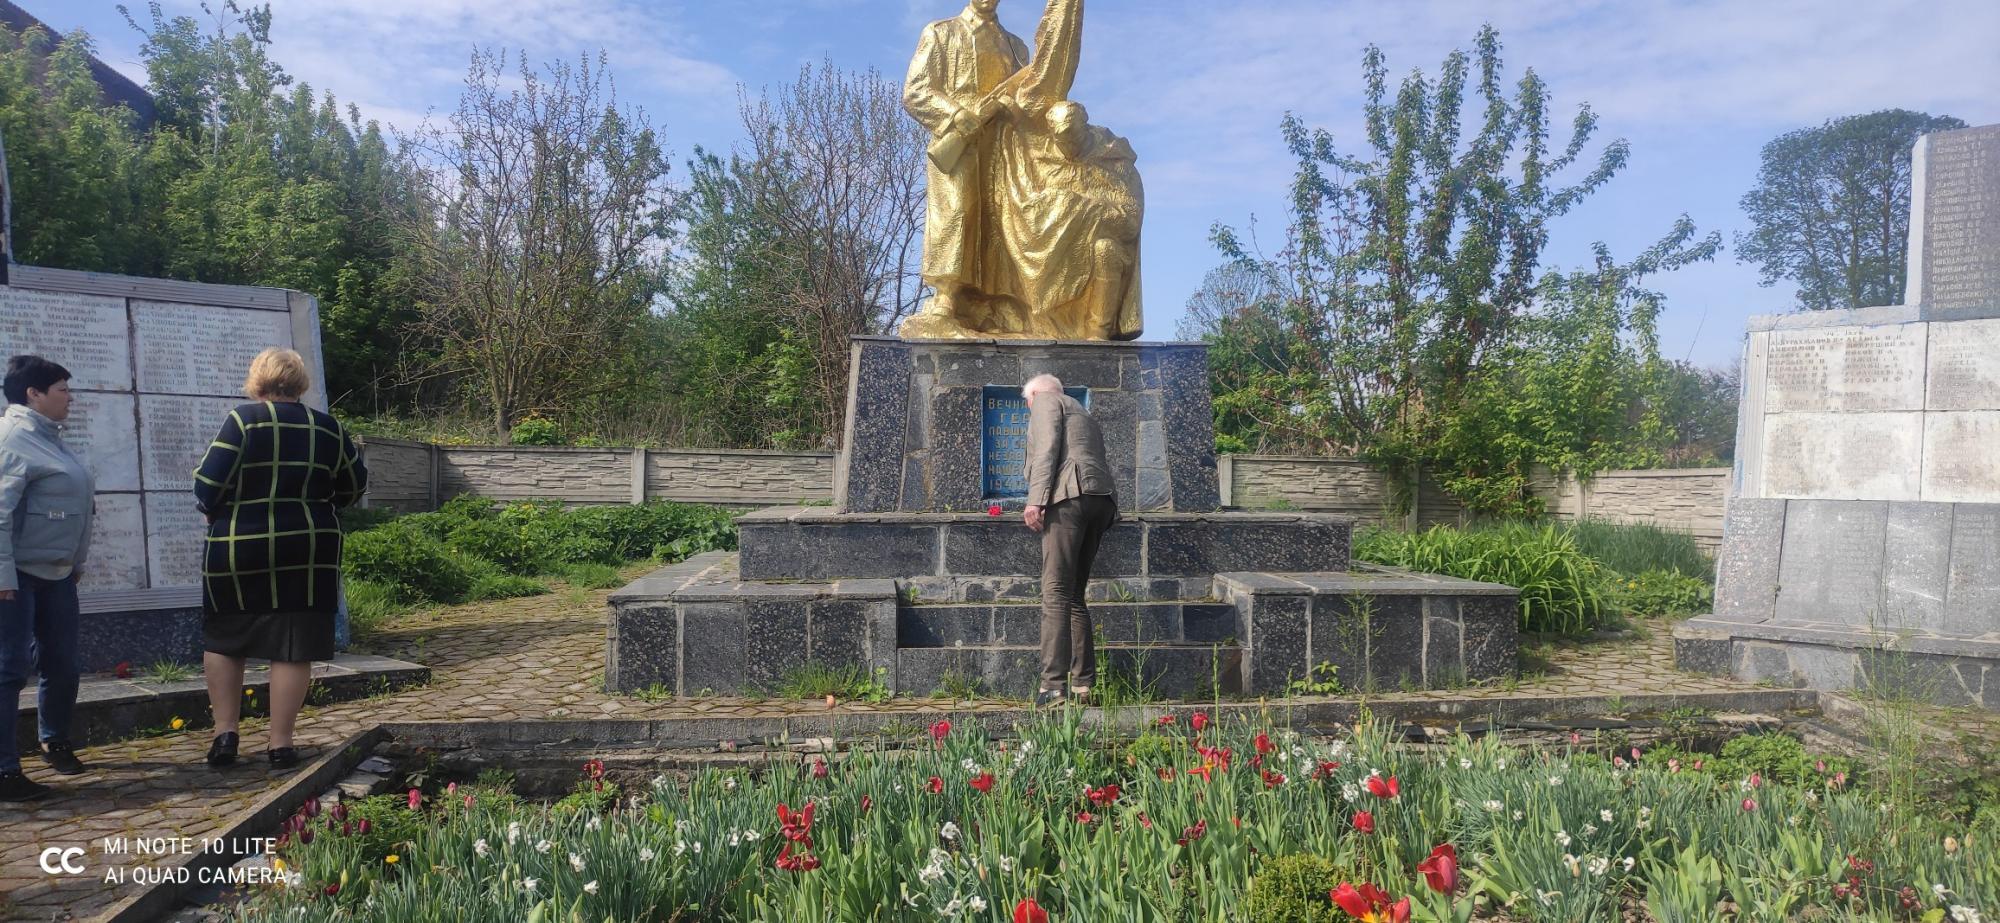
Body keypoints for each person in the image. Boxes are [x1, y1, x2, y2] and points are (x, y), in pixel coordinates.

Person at [194, 348, 366, 770]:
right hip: (308, 550)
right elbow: (353, 486)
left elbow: (207, 484)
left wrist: (216, 508)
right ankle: (281, 744)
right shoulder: (327, 427)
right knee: (293, 646)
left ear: (258, 380)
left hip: (240, 545)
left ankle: (225, 735)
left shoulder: (242, 421)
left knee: (226, 638)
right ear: (299, 382)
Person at [900, 0, 1031, 336]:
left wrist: (1012, 107)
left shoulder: (1016, 47)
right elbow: (916, 91)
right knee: (957, 212)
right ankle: (946, 299)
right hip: (958, 138)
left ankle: (991, 303)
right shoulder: (941, 33)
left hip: (1002, 143)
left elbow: (1029, 105)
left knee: (1001, 217)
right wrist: (955, 114)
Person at [0, 355, 94, 801]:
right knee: (7, 669)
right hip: (14, 577)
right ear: (33, 394)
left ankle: (54, 740)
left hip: (56, 574)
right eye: (62, 390)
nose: (69, 398)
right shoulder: (13, 438)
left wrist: (75, 562)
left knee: (62, 662)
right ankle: (4, 770)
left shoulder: (50, 438)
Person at [1020, 373, 1118, 707]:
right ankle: (1083, 685)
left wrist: (1036, 500)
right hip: (1101, 501)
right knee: (1074, 595)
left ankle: (1052, 687)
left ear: (1036, 394)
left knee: (1055, 591)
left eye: (1027, 402)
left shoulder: (1046, 401)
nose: (1029, 408)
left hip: (1069, 498)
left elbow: (1047, 448)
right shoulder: (1081, 410)